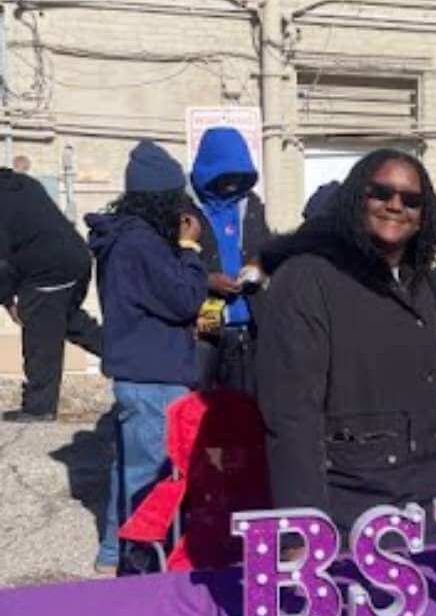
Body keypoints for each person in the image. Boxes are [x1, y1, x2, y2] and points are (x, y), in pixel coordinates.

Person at [257, 149, 436, 532]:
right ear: (355, 198)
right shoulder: (306, 279)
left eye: (411, 200)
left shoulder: (424, 285)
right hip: (350, 512)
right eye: (381, 193)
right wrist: (303, 526)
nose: (395, 206)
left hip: (430, 503)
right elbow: (291, 415)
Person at [86, 141, 208, 575]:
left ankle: (113, 551)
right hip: (154, 375)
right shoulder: (141, 243)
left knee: (129, 470)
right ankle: (140, 568)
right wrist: (191, 250)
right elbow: (184, 300)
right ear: (163, 200)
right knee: (151, 479)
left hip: (136, 374)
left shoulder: (124, 237)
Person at [0, 164, 101, 421]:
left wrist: (7, 299)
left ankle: (40, 407)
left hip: (47, 269)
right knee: (69, 321)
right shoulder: (22, 184)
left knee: (40, 332)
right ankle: (128, 358)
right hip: (77, 259)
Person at [189, 127, 270, 393]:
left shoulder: (252, 205)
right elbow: (171, 266)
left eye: (239, 175)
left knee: (244, 405)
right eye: (225, 176)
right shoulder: (187, 211)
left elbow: (267, 250)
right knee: (202, 395)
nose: (232, 183)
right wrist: (207, 280)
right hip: (207, 315)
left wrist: (259, 267)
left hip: (249, 322)